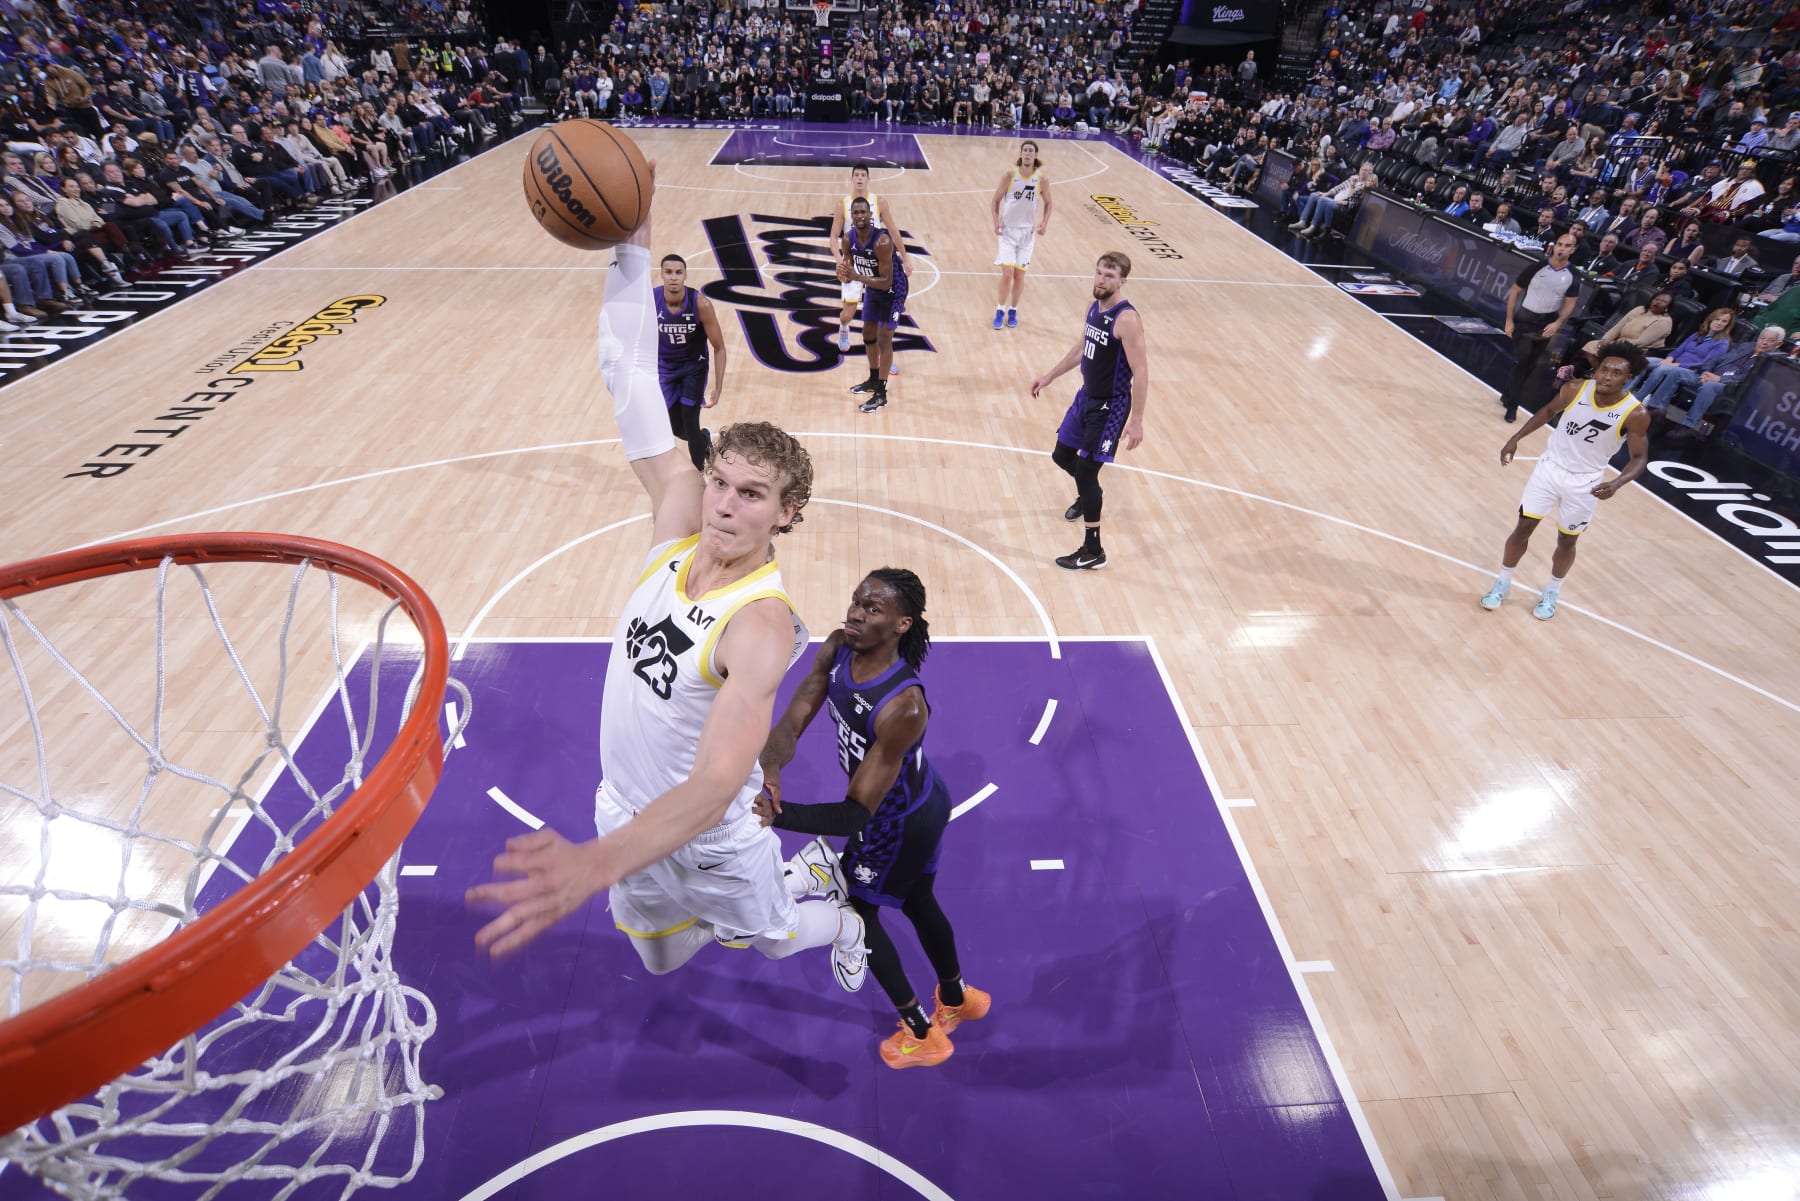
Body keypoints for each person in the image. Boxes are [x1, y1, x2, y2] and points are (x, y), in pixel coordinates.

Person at [468, 200, 868, 991]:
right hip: (628, 811)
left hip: (712, 838)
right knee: (659, 958)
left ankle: (836, 912)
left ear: (787, 514)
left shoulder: (759, 625)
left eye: (752, 495)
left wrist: (595, 863)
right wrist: (630, 259)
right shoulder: (682, 520)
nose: (723, 503)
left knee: (774, 939)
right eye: (720, 481)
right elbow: (629, 385)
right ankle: (728, 907)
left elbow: (720, 781)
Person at [756, 569, 989, 1069]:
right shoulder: (839, 646)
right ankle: (957, 998)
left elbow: (855, 814)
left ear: (902, 624)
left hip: (896, 821)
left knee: (858, 915)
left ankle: (922, 1035)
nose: (856, 612)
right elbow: (796, 714)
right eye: (856, 600)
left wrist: (778, 814)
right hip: (914, 801)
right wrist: (771, 767)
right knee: (919, 898)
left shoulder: (903, 705)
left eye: (873, 608)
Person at [1480, 341, 1651, 621]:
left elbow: (1639, 458)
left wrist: (1617, 483)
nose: (1607, 376)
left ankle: (1552, 591)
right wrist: (1515, 438)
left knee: (1566, 541)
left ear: (1628, 378)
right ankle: (1503, 582)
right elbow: (1548, 412)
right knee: (1523, 527)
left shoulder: (1635, 414)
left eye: (1616, 373)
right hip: (1550, 469)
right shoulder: (1574, 389)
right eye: (1604, 369)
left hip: (1586, 483)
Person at [1031, 251, 1150, 571]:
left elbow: (1141, 371)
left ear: (1122, 281)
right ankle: (1090, 493)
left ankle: (1093, 550)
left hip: (1111, 406)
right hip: (1086, 397)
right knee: (1061, 456)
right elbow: (1082, 348)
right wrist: (1050, 375)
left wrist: (1136, 420)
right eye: (1098, 273)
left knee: (1085, 470)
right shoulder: (1093, 308)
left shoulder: (1127, 319)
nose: (1101, 279)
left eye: (1109, 276)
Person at [828, 163, 907, 372]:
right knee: (849, 313)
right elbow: (834, 236)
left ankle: (884, 359)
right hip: (854, 263)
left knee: (882, 321)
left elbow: (894, 231)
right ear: (852, 178)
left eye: (863, 175)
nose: (860, 178)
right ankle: (843, 326)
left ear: (868, 178)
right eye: (857, 175)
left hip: (875, 266)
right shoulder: (842, 204)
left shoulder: (879, 202)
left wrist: (905, 258)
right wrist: (839, 260)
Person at [1497, 232, 1580, 422]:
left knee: (1531, 366)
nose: (1561, 248)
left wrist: (1558, 322)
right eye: (1559, 244)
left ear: (1573, 250)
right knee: (1521, 361)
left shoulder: (1573, 275)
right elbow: (1515, 292)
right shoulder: (1536, 267)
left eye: (1567, 245)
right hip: (1525, 319)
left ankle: (1508, 394)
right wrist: (1509, 320)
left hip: (1546, 323)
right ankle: (1513, 406)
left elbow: (1571, 302)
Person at [656, 252, 727, 472]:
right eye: (669, 272)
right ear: (661, 275)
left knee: (690, 419)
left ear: (685, 275)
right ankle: (704, 439)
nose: (673, 277)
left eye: (678, 272)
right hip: (664, 367)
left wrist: (718, 387)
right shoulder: (650, 301)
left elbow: (719, 347)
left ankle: (698, 478)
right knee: (676, 427)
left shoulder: (700, 304)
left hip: (693, 367)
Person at [841, 195, 909, 414]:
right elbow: (848, 269)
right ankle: (872, 379)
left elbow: (887, 280)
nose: (860, 216)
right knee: (867, 334)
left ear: (870, 215)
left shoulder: (882, 241)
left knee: (883, 338)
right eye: (856, 213)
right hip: (872, 287)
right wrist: (842, 274)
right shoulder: (847, 239)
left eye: (863, 212)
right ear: (851, 216)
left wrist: (857, 277)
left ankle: (881, 393)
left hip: (893, 289)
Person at [1668, 324, 1788, 438]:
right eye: (1762, 338)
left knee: (1710, 387)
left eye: (1770, 340)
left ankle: (1688, 425)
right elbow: (1715, 359)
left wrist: (1720, 379)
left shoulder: (1771, 362)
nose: (1764, 342)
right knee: (1674, 372)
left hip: (1729, 388)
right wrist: (1705, 372)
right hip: (1709, 376)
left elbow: (1748, 379)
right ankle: (1657, 408)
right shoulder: (1745, 346)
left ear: (1778, 344)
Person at [990, 140, 1052, 330]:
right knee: (1007, 274)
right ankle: (1000, 309)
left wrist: (1044, 223)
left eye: (1030, 151)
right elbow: (995, 202)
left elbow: (1049, 203)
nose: (1027, 153)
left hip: (1027, 233)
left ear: (1035, 155)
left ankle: (1013, 310)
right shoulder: (1010, 175)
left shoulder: (1042, 179)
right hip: (1008, 231)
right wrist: (996, 223)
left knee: (1019, 276)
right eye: (1024, 150)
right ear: (1020, 154)